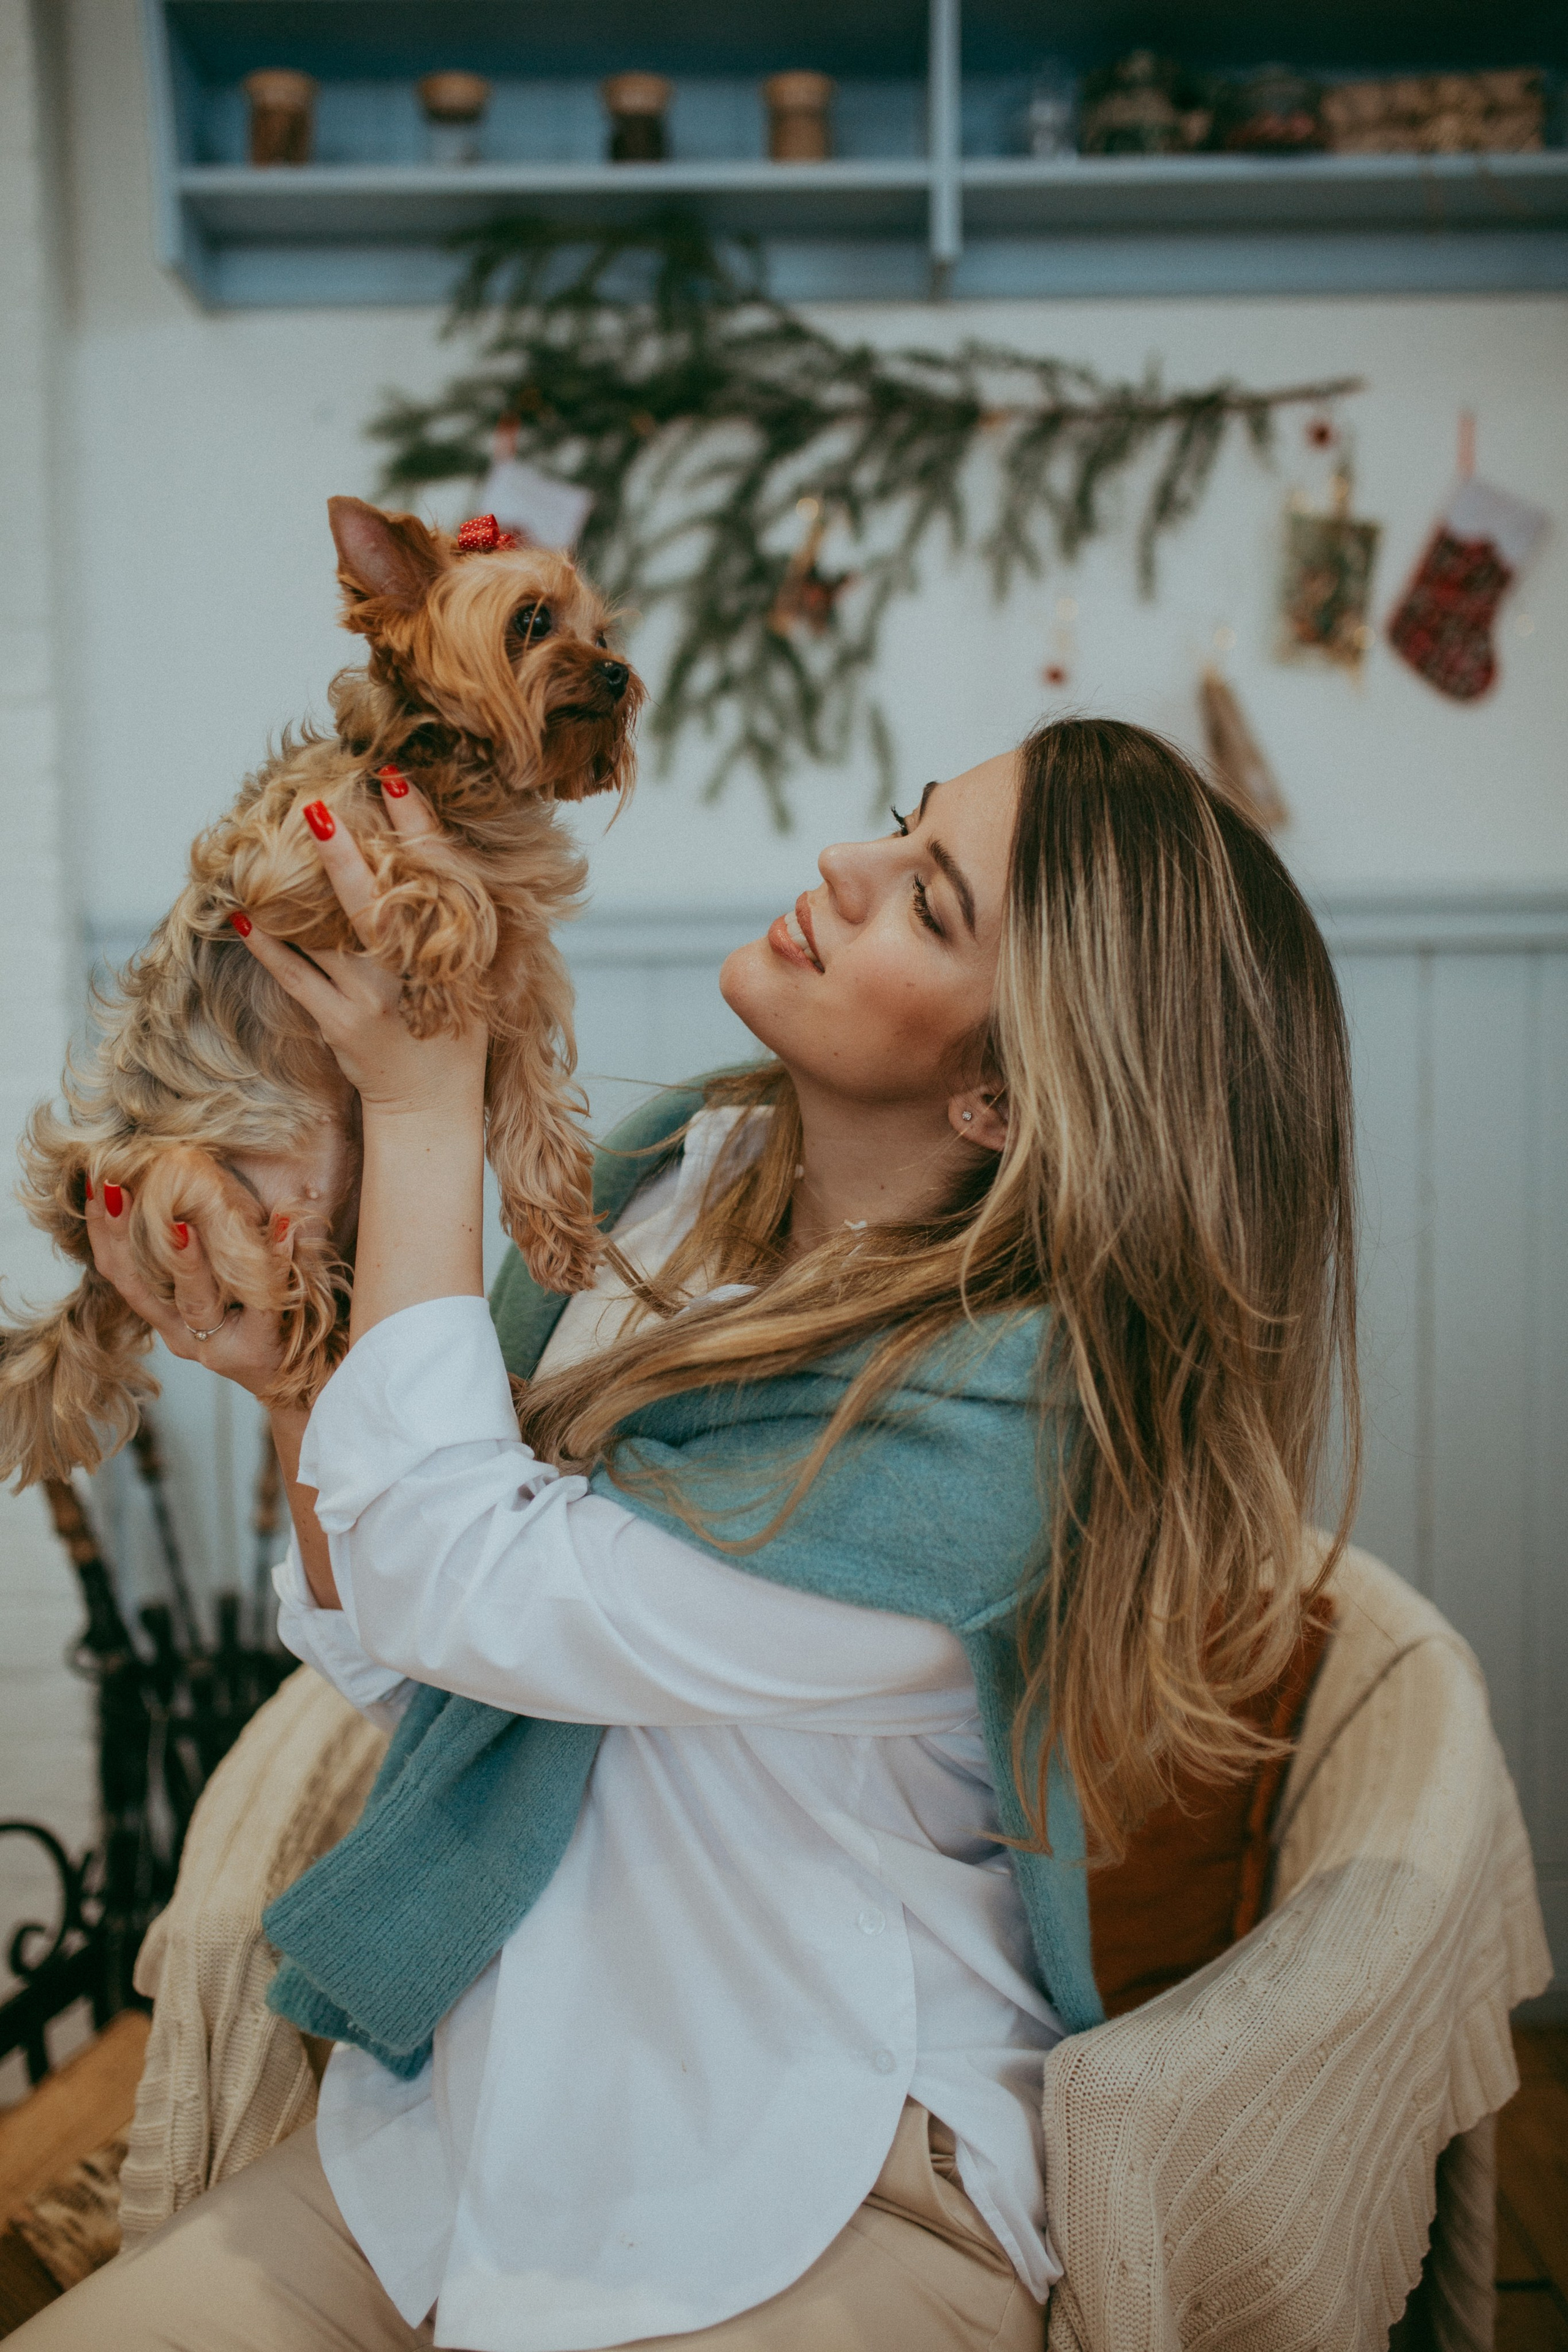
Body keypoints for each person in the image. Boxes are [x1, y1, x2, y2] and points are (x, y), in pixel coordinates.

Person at [19, 717, 1359, 2352]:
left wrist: (423, 1099)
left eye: (928, 906)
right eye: (897, 826)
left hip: (829, 2178)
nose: (845, 867)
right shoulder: (669, 1184)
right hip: (483, 2135)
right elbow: (443, 1666)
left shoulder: (1003, 1439)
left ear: (1010, 1090)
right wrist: (302, 1386)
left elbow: (464, 1585)